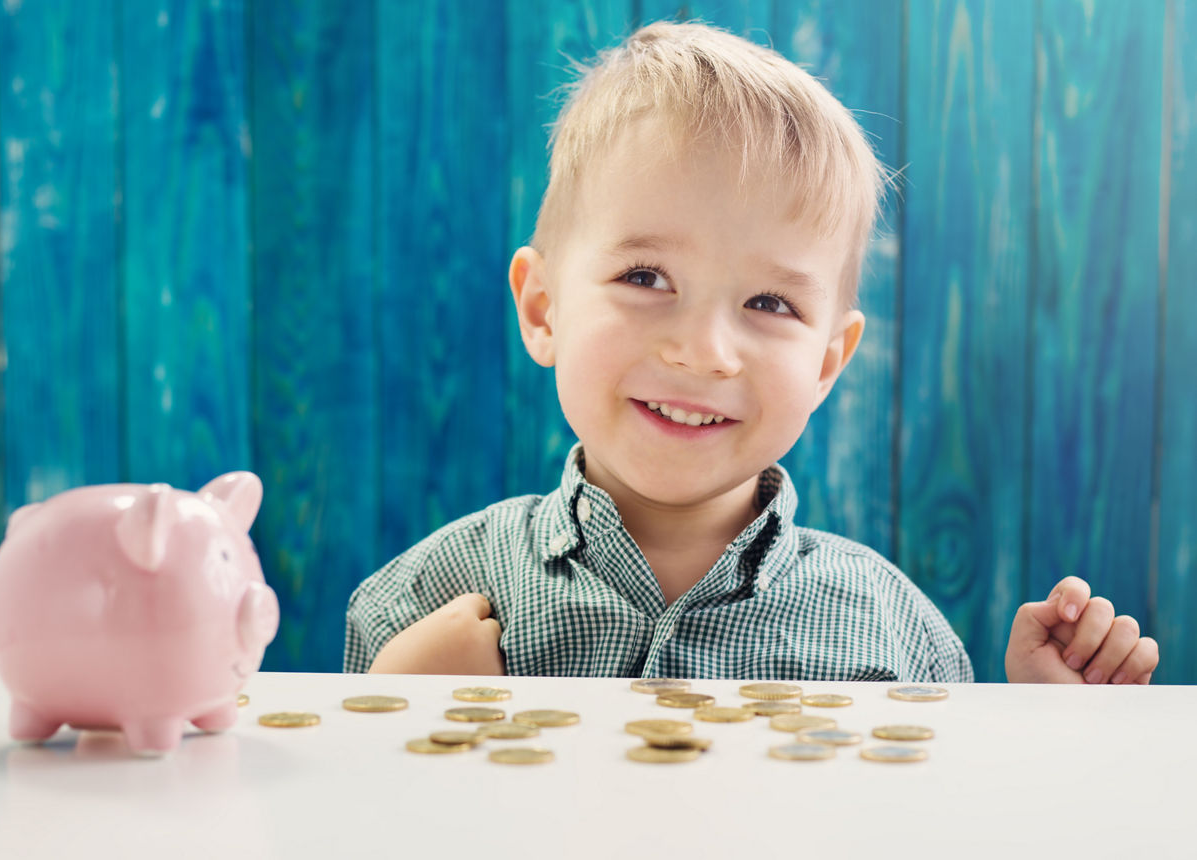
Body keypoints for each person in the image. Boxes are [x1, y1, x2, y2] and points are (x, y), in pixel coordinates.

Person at [344, 21, 1159, 685]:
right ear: (543, 308)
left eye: (770, 303)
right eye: (646, 276)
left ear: (828, 364)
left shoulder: (900, 640)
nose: (704, 351)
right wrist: (398, 718)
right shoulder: (414, 608)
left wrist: (1049, 739)